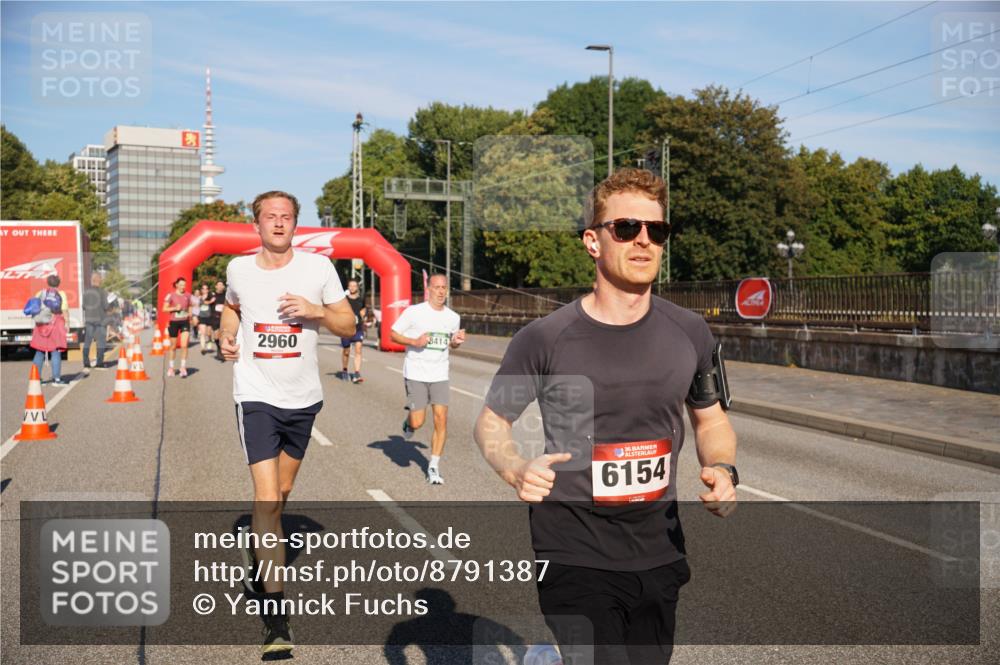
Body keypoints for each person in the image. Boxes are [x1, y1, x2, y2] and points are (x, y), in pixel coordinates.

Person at [474, 168, 738, 665]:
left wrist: (723, 470)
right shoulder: (543, 338)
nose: (643, 241)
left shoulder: (692, 333)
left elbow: (712, 422)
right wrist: (514, 468)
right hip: (573, 547)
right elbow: (491, 422)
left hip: (660, 547)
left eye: (656, 231)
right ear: (593, 241)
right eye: (626, 228)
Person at [218, 190, 355, 655]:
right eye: (270, 217)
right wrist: (225, 334)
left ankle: (259, 550)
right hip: (255, 395)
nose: (278, 223)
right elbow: (233, 307)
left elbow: (348, 324)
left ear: (296, 224)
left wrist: (316, 311)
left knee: (282, 496)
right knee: (267, 496)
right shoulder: (238, 269)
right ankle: (276, 619)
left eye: (287, 217)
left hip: (303, 401)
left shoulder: (317, 269)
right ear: (255, 224)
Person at [390, 274, 466, 485]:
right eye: (437, 287)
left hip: (440, 374)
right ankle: (408, 425)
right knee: (418, 421)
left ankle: (433, 466)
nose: (441, 292)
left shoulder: (453, 317)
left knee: (441, 418)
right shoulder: (415, 312)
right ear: (428, 289)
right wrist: (415, 340)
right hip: (416, 372)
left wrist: (457, 342)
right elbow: (393, 334)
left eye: (444, 288)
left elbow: (451, 344)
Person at [29, 274, 69, 385]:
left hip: (41, 325)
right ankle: (56, 379)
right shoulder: (61, 294)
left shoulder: (40, 293)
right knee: (56, 351)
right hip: (56, 324)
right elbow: (64, 310)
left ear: (48, 282)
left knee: (40, 351)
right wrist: (67, 323)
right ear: (58, 283)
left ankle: (36, 379)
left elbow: (35, 308)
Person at [81, 271, 111, 373]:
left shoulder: (86, 292)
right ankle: (99, 363)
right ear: (99, 280)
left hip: (89, 320)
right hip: (100, 321)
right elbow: (106, 307)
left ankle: (86, 363)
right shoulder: (103, 292)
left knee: (87, 343)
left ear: (92, 280)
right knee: (101, 343)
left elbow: (84, 306)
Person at [162, 277, 193, 377]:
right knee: (173, 346)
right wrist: (175, 308)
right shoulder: (171, 295)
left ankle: (183, 367)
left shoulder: (188, 295)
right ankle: (171, 368)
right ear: (176, 285)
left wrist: (190, 314)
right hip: (174, 322)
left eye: (184, 285)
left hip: (185, 322)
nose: (183, 287)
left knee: (184, 345)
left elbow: (191, 306)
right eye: (181, 285)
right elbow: (164, 309)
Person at [339, 279, 367, 383]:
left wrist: (363, 314)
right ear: (348, 287)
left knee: (358, 349)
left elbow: (364, 308)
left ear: (357, 287)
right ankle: (345, 370)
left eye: (354, 286)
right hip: (346, 329)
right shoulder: (344, 299)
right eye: (350, 286)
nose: (352, 288)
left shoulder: (361, 299)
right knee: (346, 351)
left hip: (358, 328)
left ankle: (356, 373)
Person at [196, 283, 216, 354]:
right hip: (202, 317)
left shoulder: (211, 295)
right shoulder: (199, 297)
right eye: (203, 289)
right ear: (201, 290)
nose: (205, 290)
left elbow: (212, 301)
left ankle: (210, 340)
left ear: (208, 290)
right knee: (202, 333)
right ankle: (202, 348)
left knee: (208, 332)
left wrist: (206, 301)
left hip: (209, 316)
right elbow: (197, 305)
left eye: (206, 289)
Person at [210, 279, 226, 360]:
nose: (220, 286)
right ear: (216, 286)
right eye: (218, 285)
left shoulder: (226, 295)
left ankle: (221, 352)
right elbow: (203, 301)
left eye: (221, 285)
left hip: (224, 318)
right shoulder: (212, 295)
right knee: (216, 337)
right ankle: (219, 348)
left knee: (222, 336)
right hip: (214, 318)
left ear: (223, 286)